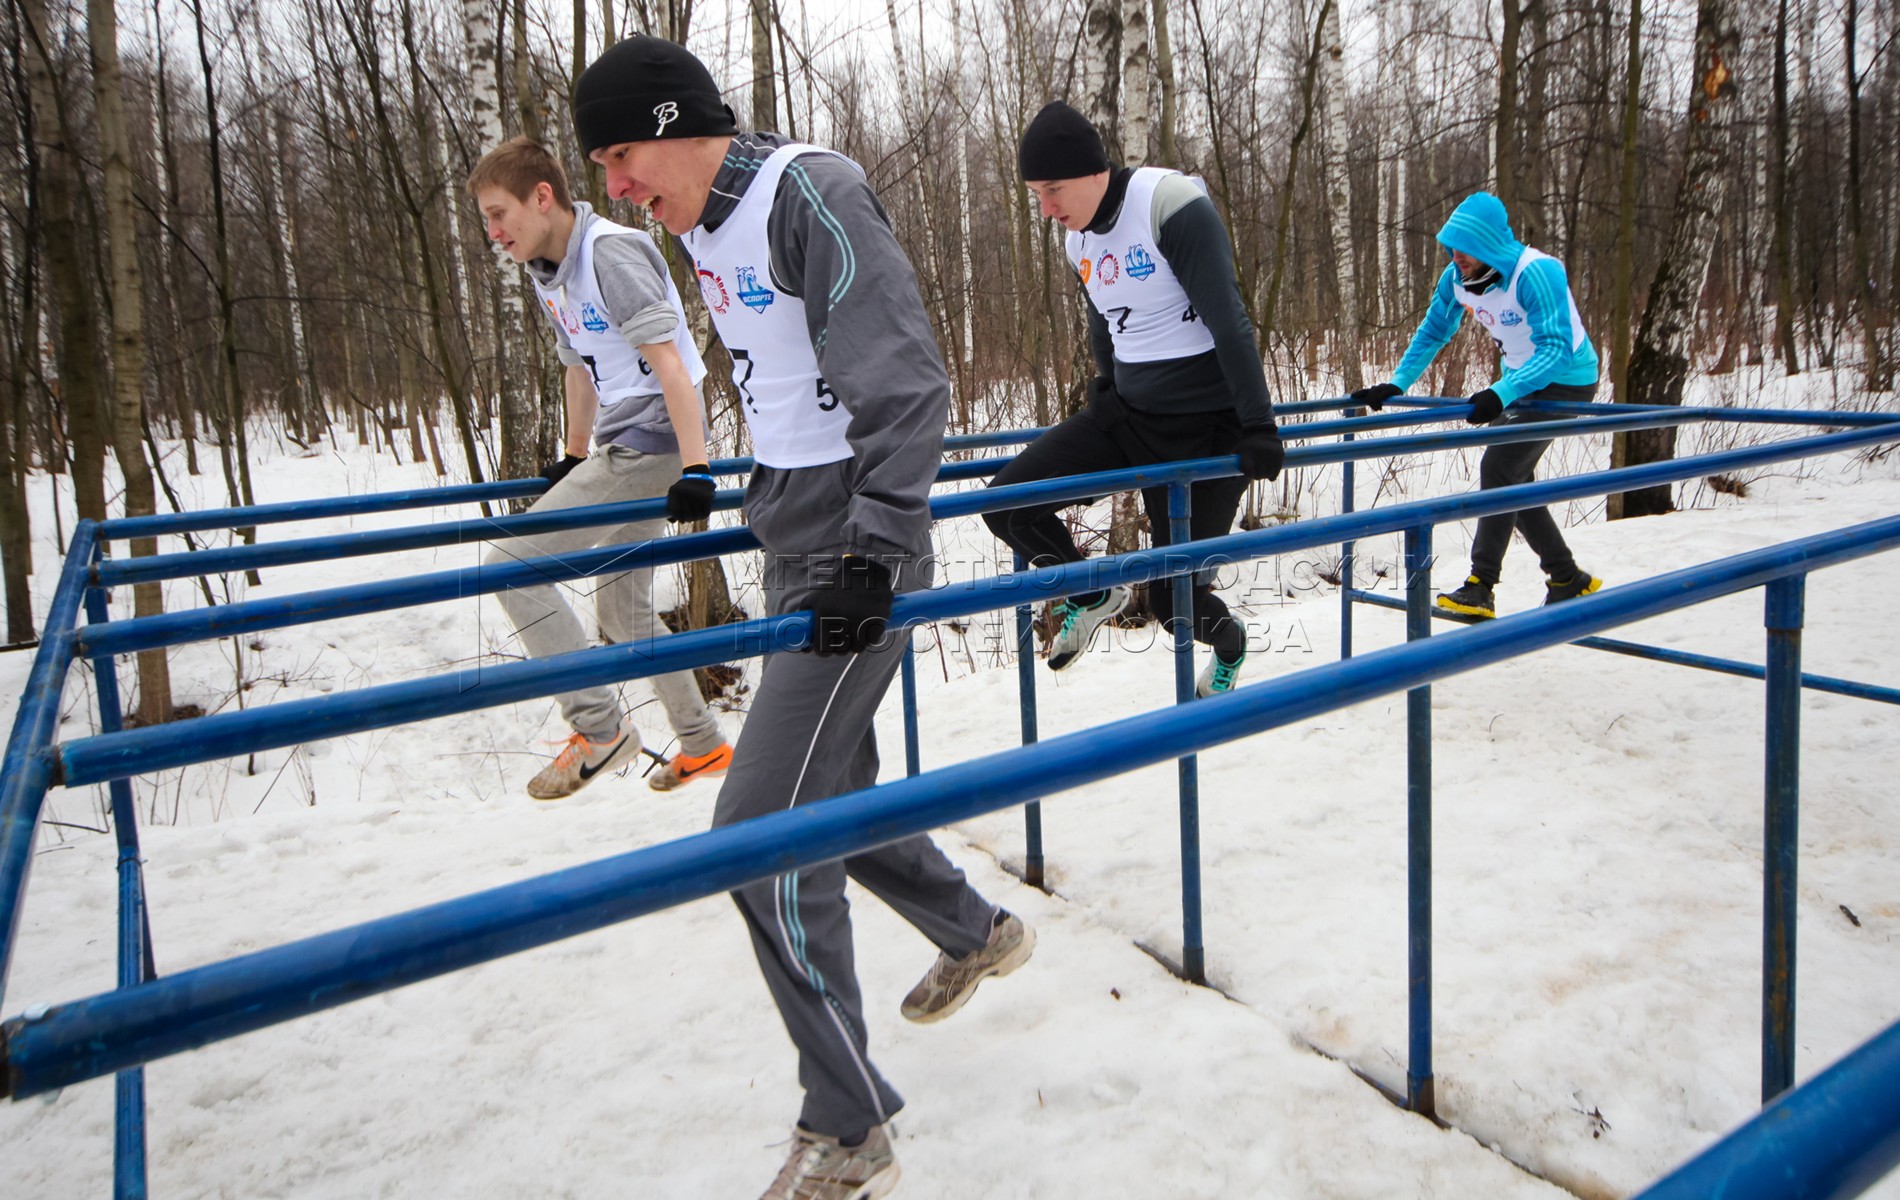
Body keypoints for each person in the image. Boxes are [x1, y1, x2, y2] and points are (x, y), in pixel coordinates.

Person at [573, 35, 1032, 1200]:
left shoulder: (803, 191)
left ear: (677, 124)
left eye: (623, 156)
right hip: (793, 529)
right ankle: (973, 929)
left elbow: (905, 378)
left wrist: (874, 552)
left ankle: (847, 1119)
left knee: (758, 832)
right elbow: (779, 379)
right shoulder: (697, 226)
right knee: (819, 799)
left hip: (852, 545)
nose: (619, 188)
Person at [987, 101, 1284, 698]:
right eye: (1036, 195)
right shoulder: (1077, 241)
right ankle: (1093, 591)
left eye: (1053, 190)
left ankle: (1230, 645)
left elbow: (1230, 322)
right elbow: (1105, 320)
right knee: (1008, 507)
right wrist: (1107, 381)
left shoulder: (1169, 205)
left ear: (1094, 172)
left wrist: (1258, 425)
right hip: (1130, 418)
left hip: (1212, 428)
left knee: (1176, 605)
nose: (1046, 208)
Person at [467, 136, 734, 798]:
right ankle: (702, 744)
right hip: (626, 440)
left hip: (654, 443)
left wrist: (696, 467)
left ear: (543, 196)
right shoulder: (548, 269)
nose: (495, 233)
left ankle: (599, 728)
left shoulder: (608, 253)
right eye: (486, 221)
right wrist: (573, 453)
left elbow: (671, 361)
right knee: (621, 608)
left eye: (501, 214)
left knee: (509, 566)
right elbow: (579, 365)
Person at [1349, 191, 1603, 620]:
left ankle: (1480, 585)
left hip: (1568, 381)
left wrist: (1501, 391)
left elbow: (1557, 348)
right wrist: (1396, 382)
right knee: (1513, 480)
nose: (1456, 255)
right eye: (1452, 245)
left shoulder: (1537, 273)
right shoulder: (1456, 277)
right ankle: (1567, 578)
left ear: (1488, 244)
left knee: (1500, 469)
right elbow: (1434, 330)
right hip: (1520, 383)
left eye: (1465, 247)